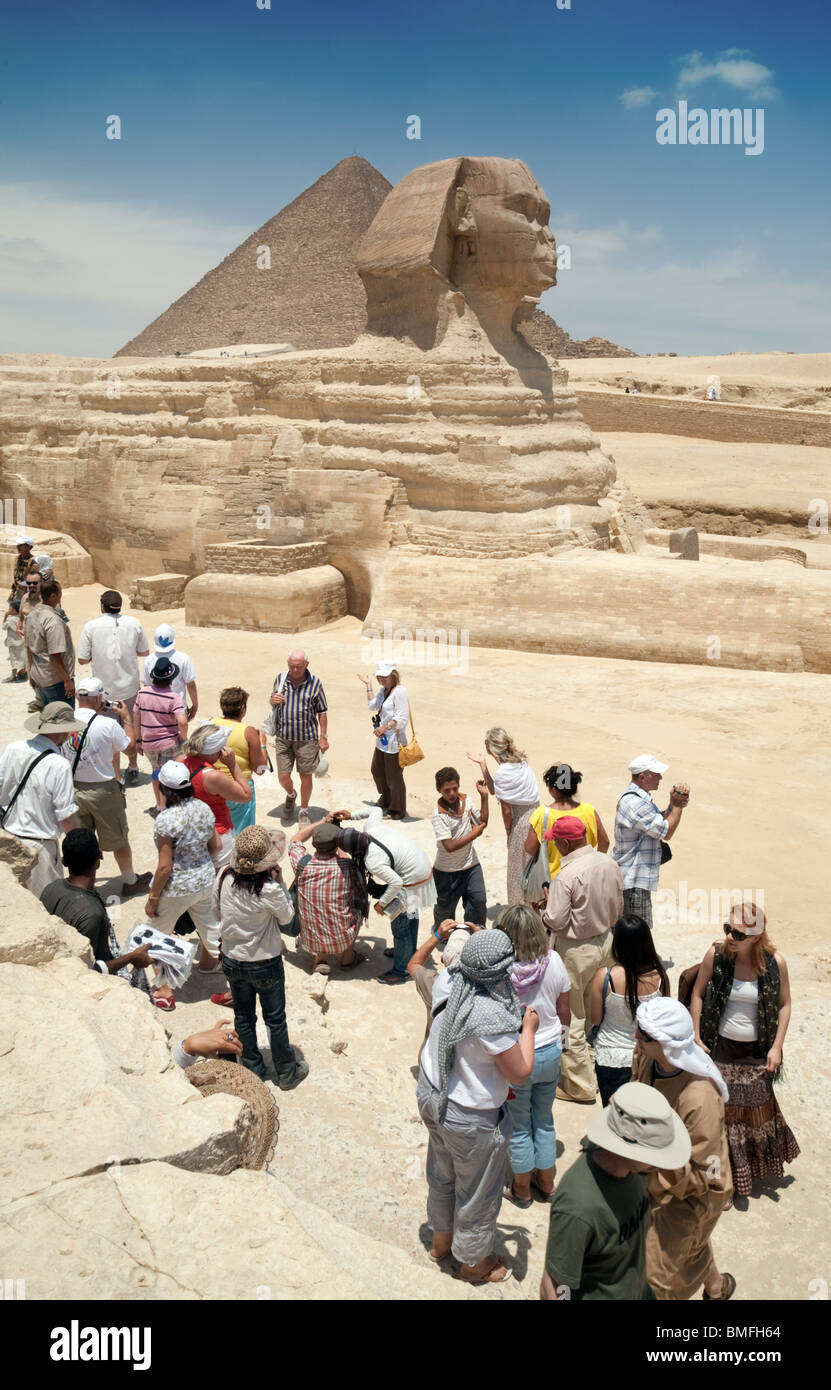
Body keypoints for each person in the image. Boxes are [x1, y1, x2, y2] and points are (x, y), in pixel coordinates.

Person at [416, 929, 537, 1284]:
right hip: (469, 1115)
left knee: (442, 1173)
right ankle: (472, 1264)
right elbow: (519, 1073)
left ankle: (441, 1242)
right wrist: (528, 1027)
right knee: (478, 1193)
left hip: (431, 1093)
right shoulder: (491, 1019)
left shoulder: (448, 983)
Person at [539, 1082, 691, 1300]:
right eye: (652, 1155)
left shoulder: (636, 1171)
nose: (659, 1164)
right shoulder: (578, 1206)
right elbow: (552, 1287)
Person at [690, 900, 799, 1200]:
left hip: (757, 1053)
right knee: (720, 1120)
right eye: (727, 929)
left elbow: (785, 1004)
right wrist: (697, 1036)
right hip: (720, 1050)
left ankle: (743, 1175)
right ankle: (720, 1183)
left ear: (756, 937)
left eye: (738, 934)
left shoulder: (775, 963)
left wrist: (777, 1047)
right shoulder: (716, 955)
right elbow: (697, 994)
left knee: (751, 1117)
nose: (729, 937)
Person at [632, 997, 735, 1300]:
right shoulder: (647, 1057)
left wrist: (650, 1168)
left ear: (666, 1045)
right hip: (657, 1178)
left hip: (692, 1196)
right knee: (694, 1242)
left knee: (654, 1278)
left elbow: (706, 1175)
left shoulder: (699, 1098)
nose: (636, 1036)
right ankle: (716, 1289)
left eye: (645, 1034)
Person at [214, 824, 309, 1090]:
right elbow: (288, 919)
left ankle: (253, 1069)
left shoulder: (223, 876)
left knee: (243, 1016)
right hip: (265, 962)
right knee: (275, 1018)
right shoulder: (268, 888)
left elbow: (215, 911)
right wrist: (279, 882)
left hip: (232, 958)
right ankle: (287, 1072)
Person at [543, 815, 624, 1104]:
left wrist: (545, 905)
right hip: (607, 942)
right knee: (594, 1013)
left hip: (577, 952)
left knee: (570, 1018)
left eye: (557, 842)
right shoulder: (609, 862)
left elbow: (554, 919)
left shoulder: (566, 875)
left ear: (565, 842)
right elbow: (619, 905)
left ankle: (580, 1086)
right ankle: (592, 1065)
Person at [499, 904, 571, 1206]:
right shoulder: (553, 961)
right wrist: (564, 1044)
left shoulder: (501, 972)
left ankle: (522, 1188)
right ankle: (546, 1181)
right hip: (550, 1052)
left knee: (517, 1123)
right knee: (543, 1119)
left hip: (518, 1057)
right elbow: (564, 1010)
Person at [143, 760, 223, 1007]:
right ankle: (238, 975)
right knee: (212, 932)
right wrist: (197, 866)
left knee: (155, 935)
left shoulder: (165, 820)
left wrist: (153, 897)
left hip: (176, 888)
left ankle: (164, 990)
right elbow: (216, 846)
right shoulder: (203, 808)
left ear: (165, 790)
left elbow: (165, 867)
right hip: (205, 881)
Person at [63, 675, 151, 898]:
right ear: (99, 697)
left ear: (78, 696)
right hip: (103, 790)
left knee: (81, 842)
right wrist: (126, 718)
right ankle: (130, 881)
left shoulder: (64, 721)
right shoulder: (108, 724)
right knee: (118, 839)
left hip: (72, 788)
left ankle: (80, 887)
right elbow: (130, 749)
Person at [41, 829, 154, 979]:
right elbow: (88, 970)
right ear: (99, 857)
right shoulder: (92, 916)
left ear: (64, 861)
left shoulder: (51, 888)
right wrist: (131, 958)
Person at [345, 803, 436, 984]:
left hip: (411, 879)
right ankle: (408, 952)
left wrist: (382, 904)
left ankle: (402, 971)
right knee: (412, 914)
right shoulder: (371, 829)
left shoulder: (373, 860)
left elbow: (396, 883)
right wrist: (350, 815)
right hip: (421, 866)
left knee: (400, 924)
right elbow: (376, 810)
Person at [0, 702, 82, 896]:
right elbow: (66, 817)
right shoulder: (59, 765)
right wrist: (80, 845)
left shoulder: (14, 748)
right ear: (65, 730)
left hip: (9, 840)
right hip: (40, 846)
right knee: (49, 902)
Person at [590, 913, 670, 1106]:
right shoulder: (660, 977)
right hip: (647, 1058)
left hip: (610, 1057)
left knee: (612, 1120)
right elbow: (664, 1019)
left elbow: (595, 1019)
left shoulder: (605, 977)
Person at [76, 590, 149, 782]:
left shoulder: (91, 626)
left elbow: (82, 659)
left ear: (102, 606)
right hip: (130, 688)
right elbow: (144, 651)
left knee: (108, 733)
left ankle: (116, 776)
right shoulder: (134, 623)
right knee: (129, 727)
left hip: (103, 693)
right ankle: (133, 767)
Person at [611, 754, 689, 927]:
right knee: (637, 934)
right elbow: (665, 831)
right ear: (642, 777)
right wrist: (676, 805)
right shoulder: (635, 803)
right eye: (656, 774)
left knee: (632, 934)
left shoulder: (638, 799)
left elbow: (658, 820)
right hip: (632, 881)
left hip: (633, 880)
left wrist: (674, 804)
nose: (660, 777)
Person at [287, 813, 367, 971]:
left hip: (310, 941)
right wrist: (340, 850)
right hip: (343, 940)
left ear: (314, 844)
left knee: (316, 909)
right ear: (338, 845)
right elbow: (348, 864)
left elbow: (295, 840)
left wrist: (322, 821)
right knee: (358, 905)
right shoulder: (348, 867)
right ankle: (347, 958)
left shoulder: (302, 864)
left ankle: (320, 958)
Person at [468, 729, 538, 905]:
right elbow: (495, 789)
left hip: (521, 823)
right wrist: (483, 765)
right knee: (534, 869)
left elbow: (506, 810)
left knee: (517, 873)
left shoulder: (503, 772)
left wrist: (509, 833)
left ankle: (519, 914)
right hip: (537, 819)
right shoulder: (521, 763)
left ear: (492, 748)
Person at [524, 763, 609, 896]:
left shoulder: (541, 814)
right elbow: (605, 842)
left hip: (554, 884)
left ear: (553, 789)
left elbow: (529, 848)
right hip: (585, 881)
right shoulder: (589, 811)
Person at [269, 650, 328, 823]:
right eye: (292, 666)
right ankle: (291, 795)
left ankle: (303, 810)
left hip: (307, 739)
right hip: (283, 736)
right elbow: (272, 700)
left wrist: (323, 736)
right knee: (283, 776)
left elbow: (322, 711)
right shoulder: (280, 679)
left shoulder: (315, 683)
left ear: (306, 665)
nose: (294, 670)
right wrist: (273, 700)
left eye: (298, 666)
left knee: (305, 776)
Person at [181, 722, 252, 867]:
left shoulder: (180, 761)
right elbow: (246, 795)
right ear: (214, 751)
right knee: (219, 879)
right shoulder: (213, 777)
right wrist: (232, 765)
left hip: (190, 831)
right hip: (217, 834)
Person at [407, 921, 480, 1055]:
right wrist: (480, 938)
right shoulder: (484, 987)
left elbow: (413, 964)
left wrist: (438, 935)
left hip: (432, 1056)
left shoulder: (433, 984)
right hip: (465, 1062)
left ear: (442, 959)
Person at [431, 766, 489, 929]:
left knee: (478, 901)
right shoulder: (438, 815)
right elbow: (449, 846)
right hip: (446, 872)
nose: (451, 793)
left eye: (454, 788)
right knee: (445, 910)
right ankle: (442, 935)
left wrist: (484, 797)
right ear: (439, 790)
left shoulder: (467, 802)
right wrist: (474, 834)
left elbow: (482, 821)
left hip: (471, 865)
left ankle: (474, 935)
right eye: (446, 790)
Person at [210, 686, 267, 833]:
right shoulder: (248, 731)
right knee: (242, 834)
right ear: (242, 708)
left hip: (212, 784)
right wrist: (263, 744)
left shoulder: (211, 723)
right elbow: (260, 769)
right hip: (239, 787)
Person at [134, 657, 188, 809]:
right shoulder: (173, 697)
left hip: (148, 743)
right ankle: (165, 808)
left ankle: (159, 804)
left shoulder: (142, 693)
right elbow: (182, 722)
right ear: (171, 678)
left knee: (156, 771)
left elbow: (136, 717)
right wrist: (184, 740)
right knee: (168, 775)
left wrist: (138, 741)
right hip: (169, 743)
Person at [358, 662, 410, 819]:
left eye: (384, 676)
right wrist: (369, 686)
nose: (381, 679)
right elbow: (372, 705)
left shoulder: (400, 691)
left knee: (394, 777)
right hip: (382, 740)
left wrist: (385, 727)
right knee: (377, 771)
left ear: (393, 675)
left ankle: (397, 810)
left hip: (394, 741)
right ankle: (386, 799)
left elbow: (402, 717)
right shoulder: (384, 690)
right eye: (379, 676)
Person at [25, 578, 75, 709]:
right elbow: (55, 654)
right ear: (53, 596)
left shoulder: (31, 616)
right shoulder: (53, 620)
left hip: (40, 677)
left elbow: (29, 648)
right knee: (63, 723)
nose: (61, 595)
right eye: (60, 592)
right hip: (56, 680)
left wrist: (31, 673)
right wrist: (67, 680)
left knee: (49, 720)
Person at [142, 624, 198, 720]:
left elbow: (147, 686)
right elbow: (191, 684)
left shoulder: (149, 660)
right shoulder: (183, 658)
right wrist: (195, 705)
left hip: (157, 709)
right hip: (178, 709)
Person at [3, 595, 27, 681]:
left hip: (13, 643)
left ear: (13, 610)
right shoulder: (21, 618)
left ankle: (13, 676)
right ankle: (23, 672)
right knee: (22, 657)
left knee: (14, 659)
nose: (9, 609)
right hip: (21, 642)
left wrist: (5, 616)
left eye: (10, 608)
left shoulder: (10, 619)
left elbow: (3, 627)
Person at [9, 535, 37, 599]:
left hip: (29, 592)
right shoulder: (17, 559)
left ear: (29, 547)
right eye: (18, 545)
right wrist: (13, 592)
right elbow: (16, 577)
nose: (18, 547)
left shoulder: (34, 561)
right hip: (19, 591)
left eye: (21, 545)